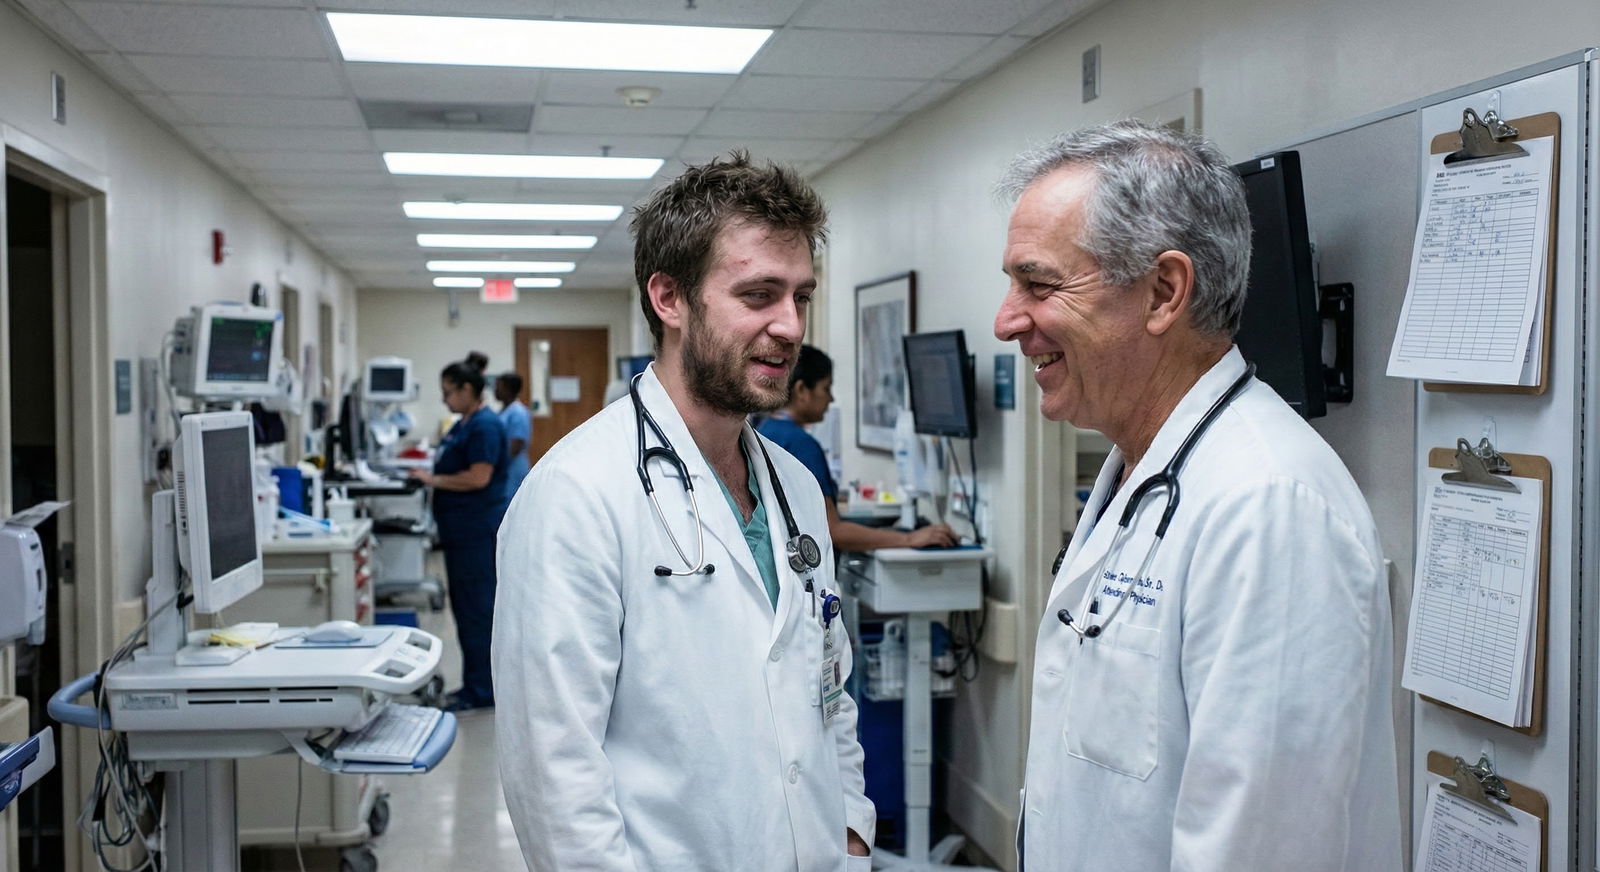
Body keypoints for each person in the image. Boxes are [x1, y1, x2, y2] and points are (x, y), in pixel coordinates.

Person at [992, 120, 1400, 870]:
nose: (1007, 320)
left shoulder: (1268, 505)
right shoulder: (1143, 473)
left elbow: (1262, 847)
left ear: (1164, 292)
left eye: (1039, 283)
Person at [495, 152, 875, 871]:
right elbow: (553, 773)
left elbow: (827, 683)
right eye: (759, 294)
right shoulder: (576, 494)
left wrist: (850, 827)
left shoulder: (792, 485)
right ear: (670, 298)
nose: (791, 327)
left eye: (801, 296)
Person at [759, 345, 955, 551]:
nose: (831, 399)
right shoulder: (802, 444)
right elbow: (833, 531)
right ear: (802, 391)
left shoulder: (765, 431)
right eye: (826, 388)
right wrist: (910, 539)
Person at [411, 361, 509, 713]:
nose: (444, 398)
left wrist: (431, 481)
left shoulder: (484, 427)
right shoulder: (464, 424)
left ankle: (481, 691)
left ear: (468, 390)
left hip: (475, 532)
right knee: (467, 611)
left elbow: (478, 478)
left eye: (448, 391)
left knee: (477, 613)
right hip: (461, 533)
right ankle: (476, 685)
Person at [494, 371, 532, 491]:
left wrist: (498, 465)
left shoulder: (518, 412)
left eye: (498, 387)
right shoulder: (504, 411)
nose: (495, 390)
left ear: (508, 389)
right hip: (505, 465)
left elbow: (516, 444)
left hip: (513, 467)